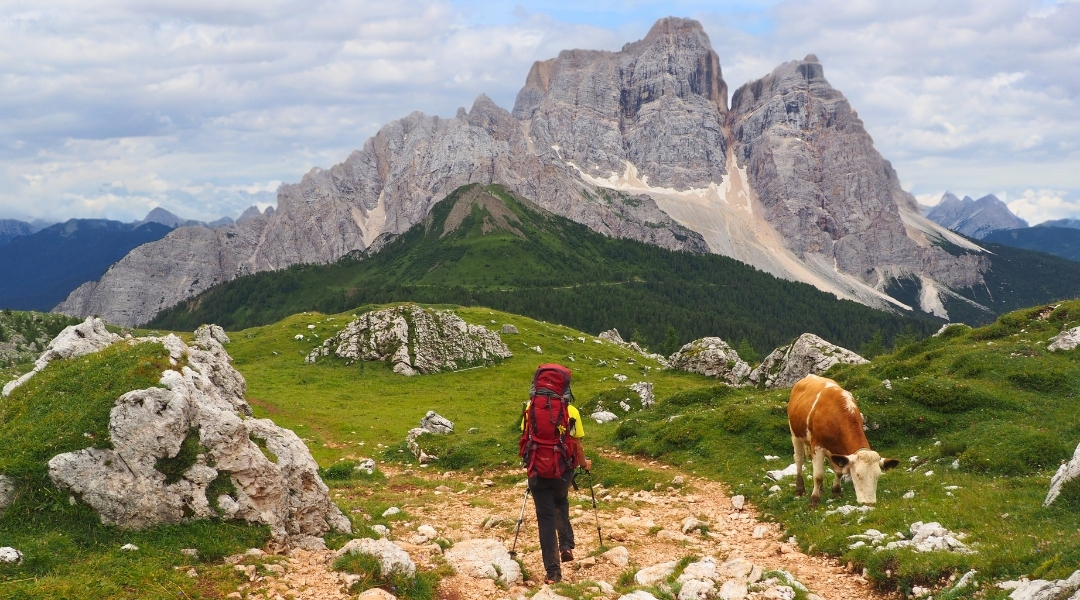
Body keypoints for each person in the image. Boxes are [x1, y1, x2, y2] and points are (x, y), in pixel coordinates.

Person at [520, 398, 592, 584]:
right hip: (563, 471)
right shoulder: (572, 411)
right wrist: (584, 464)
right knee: (560, 501)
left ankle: (553, 573)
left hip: (537, 471)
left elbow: (526, 436)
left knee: (545, 518)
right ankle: (566, 546)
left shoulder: (531, 407)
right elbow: (577, 444)